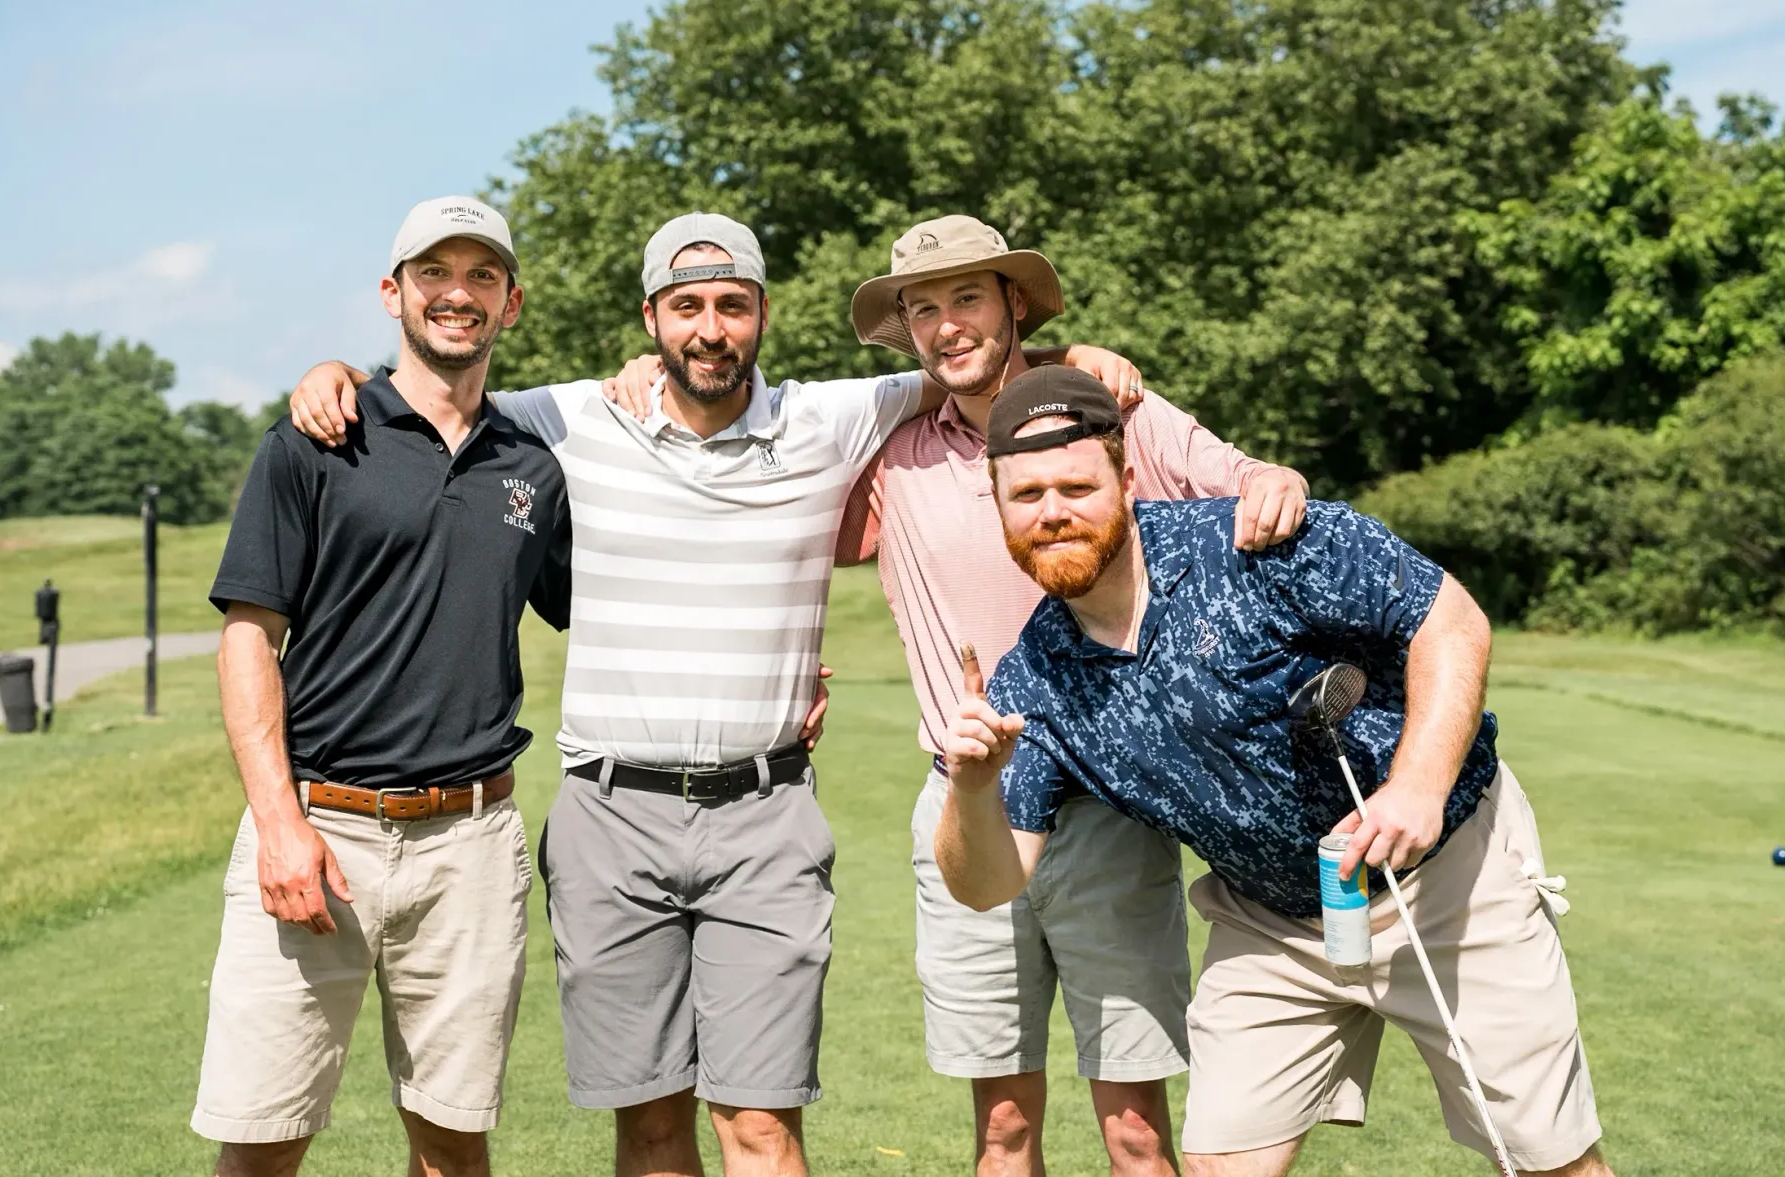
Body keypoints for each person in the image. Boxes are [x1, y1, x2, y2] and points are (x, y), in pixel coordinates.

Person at [281, 212, 1142, 1177]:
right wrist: (341, 376)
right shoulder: (566, 420)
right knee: (649, 1127)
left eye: (732, 305)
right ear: (651, 318)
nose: (710, 328)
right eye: (686, 306)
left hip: (765, 816)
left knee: (761, 1126)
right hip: (610, 815)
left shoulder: (831, 418)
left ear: (762, 315)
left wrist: (1077, 356)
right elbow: (436, 387)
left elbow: (971, 360)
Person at [934, 367, 1614, 1177]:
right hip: (1272, 924)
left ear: (1125, 475)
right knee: (1223, 1163)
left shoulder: (1255, 544)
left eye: (1076, 486)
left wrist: (1419, 784)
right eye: (1027, 494)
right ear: (998, 504)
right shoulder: (1032, 679)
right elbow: (988, 882)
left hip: (1445, 880)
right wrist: (969, 785)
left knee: (1549, 1160)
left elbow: (1451, 618)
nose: (1052, 513)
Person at [834, 215, 1309, 1176]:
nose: (945, 324)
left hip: (1109, 808)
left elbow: (1251, 480)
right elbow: (763, 477)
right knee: (1003, 1125)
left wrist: (1277, 480)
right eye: (922, 309)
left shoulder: (1110, 416)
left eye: (967, 297)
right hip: (969, 801)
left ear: (1015, 301)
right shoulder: (894, 454)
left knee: (1134, 1128)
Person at [193, 196, 573, 1177]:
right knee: (265, 1139)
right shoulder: (318, 439)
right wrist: (278, 823)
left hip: (472, 844)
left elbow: (595, 605)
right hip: (321, 830)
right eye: (434, 274)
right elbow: (248, 641)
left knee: (453, 1141)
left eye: (482, 276)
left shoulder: (535, 464)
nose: (458, 294)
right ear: (392, 293)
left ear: (513, 301)